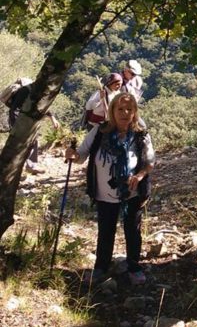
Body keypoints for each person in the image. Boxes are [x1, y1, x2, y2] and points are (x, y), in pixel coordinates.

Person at [65, 92, 155, 285]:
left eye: (129, 109)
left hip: (132, 193)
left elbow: (150, 162)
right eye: (120, 109)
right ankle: (101, 267)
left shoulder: (140, 134)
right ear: (112, 110)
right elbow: (81, 155)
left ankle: (134, 266)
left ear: (135, 112)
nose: (124, 113)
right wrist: (72, 155)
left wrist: (139, 176)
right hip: (104, 193)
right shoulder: (99, 132)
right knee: (105, 231)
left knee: (133, 230)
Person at [7, 79, 60, 175]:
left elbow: (42, 106)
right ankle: (10, 169)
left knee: (34, 141)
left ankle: (30, 166)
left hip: (28, 122)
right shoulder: (25, 91)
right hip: (18, 122)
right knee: (17, 145)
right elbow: (14, 110)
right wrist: (16, 125)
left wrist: (53, 118)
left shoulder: (38, 92)